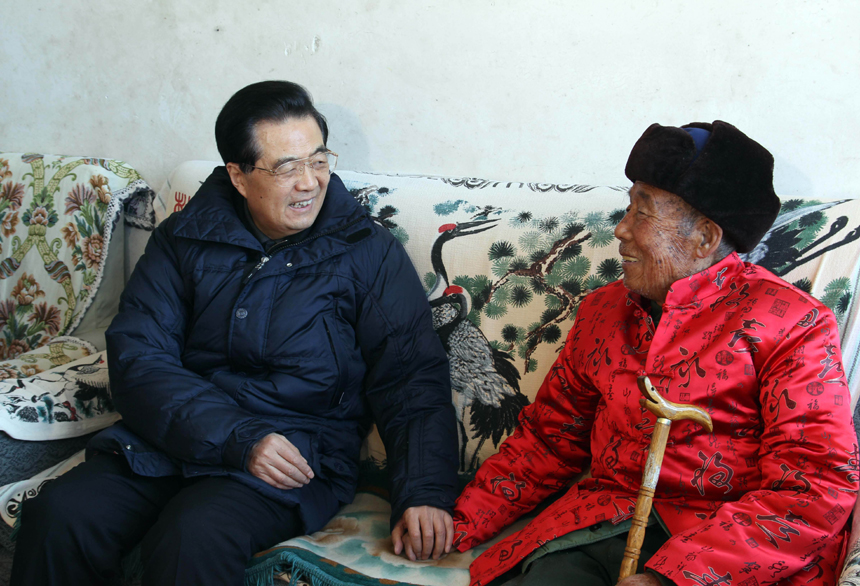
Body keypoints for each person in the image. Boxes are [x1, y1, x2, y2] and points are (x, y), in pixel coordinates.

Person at [11, 81, 458, 585]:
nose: (310, 182)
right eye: (287, 167)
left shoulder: (365, 252)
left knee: (193, 535)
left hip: (297, 455)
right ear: (239, 176)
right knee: (63, 514)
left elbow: (410, 375)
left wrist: (424, 492)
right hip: (173, 437)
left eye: (319, 160)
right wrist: (238, 437)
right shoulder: (183, 239)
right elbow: (139, 358)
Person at [451, 121, 859, 586]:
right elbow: (549, 438)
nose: (621, 229)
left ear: (705, 238)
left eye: (643, 213)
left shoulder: (792, 323)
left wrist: (676, 579)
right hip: (600, 523)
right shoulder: (602, 313)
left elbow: (814, 485)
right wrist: (460, 520)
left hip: (725, 547)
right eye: (629, 206)